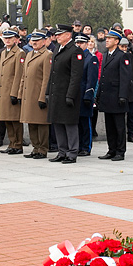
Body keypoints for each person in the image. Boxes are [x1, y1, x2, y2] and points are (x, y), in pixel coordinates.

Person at [96, 29, 133, 161]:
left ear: (117, 41)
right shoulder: (106, 54)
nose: (107, 40)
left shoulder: (122, 55)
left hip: (117, 97)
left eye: (110, 38)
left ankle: (120, 151)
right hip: (107, 96)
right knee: (110, 126)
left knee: (119, 126)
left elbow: (125, 77)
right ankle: (111, 149)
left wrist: (123, 96)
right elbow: (103, 76)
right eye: (106, 38)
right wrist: (99, 94)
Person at [46, 24, 84, 164]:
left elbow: (76, 76)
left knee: (69, 123)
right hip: (56, 93)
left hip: (67, 93)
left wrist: (70, 95)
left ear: (68, 35)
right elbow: (53, 73)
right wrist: (48, 91)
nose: (57, 36)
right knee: (58, 122)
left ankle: (72, 152)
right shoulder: (58, 49)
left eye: (60, 34)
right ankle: (62, 151)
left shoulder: (75, 51)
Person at [19, 31, 53, 159]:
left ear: (44, 41)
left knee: (41, 123)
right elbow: (24, 76)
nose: (34, 42)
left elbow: (46, 78)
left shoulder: (47, 55)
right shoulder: (29, 55)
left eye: (37, 40)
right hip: (28, 94)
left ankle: (43, 149)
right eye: (32, 40)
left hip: (38, 94)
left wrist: (43, 97)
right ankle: (35, 147)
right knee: (31, 122)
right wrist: (20, 93)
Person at [0, 29, 25, 155]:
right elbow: (0, 74)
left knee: (15, 119)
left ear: (16, 39)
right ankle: (12, 143)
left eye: (10, 38)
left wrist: (16, 93)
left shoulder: (19, 53)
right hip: (3, 90)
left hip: (12, 90)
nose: (7, 40)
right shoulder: (3, 53)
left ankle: (18, 144)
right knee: (6, 118)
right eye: (5, 38)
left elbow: (19, 75)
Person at [76, 33, 99, 156]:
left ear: (86, 44)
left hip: (85, 95)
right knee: (78, 123)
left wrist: (89, 95)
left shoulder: (91, 58)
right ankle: (79, 145)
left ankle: (86, 147)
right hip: (76, 95)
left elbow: (91, 79)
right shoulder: (76, 57)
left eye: (81, 43)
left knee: (85, 124)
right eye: (77, 43)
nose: (79, 45)